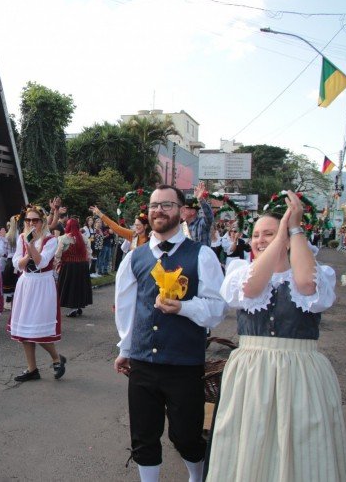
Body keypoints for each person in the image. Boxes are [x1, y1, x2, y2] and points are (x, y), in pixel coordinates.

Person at [206, 191, 346, 481]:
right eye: (257, 234)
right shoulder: (240, 271)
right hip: (252, 371)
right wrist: (279, 236)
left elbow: (306, 284)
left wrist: (294, 228)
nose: (260, 240)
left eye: (270, 233)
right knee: (249, 443)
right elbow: (251, 289)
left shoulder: (318, 272)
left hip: (301, 370)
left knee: (303, 443)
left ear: (287, 236)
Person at [113, 184, 226, 482]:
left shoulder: (201, 255)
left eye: (166, 204)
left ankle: (196, 477)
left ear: (181, 210)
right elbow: (126, 308)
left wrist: (183, 308)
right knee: (143, 435)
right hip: (143, 363)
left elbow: (217, 309)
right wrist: (125, 349)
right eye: (153, 205)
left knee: (186, 436)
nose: (158, 211)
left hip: (183, 363)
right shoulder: (135, 258)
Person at [9, 205, 66, 381]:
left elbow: (41, 263)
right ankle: (32, 369)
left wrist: (32, 245)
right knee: (25, 328)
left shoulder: (50, 240)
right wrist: (27, 249)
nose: (31, 223)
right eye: (28, 220)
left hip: (43, 284)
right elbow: (17, 263)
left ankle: (56, 358)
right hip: (26, 283)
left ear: (42, 222)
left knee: (39, 329)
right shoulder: (21, 238)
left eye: (35, 220)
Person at [56, 217, 92, 318]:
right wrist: (87, 265)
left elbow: (58, 254)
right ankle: (78, 305)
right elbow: (89, 254)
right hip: (82, 266)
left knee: (71, 287)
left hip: (69, 266)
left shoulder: (63, 238)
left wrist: (58, 263)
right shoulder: (84, 238)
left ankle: (74, 308)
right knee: (80, 286)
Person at [181, 181, 214, 246]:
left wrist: (200, 199)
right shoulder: (182, 226)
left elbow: (209, 216)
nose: (182, 211)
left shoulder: (201, 223)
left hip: (201, 255)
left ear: (193, 211)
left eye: (185, 209)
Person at [2, 214, 21, 304]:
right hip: (18, 262)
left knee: (10, 286)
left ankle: (10, 299)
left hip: (9, 262)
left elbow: (4, 252)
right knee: (17, 286)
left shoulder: (7, 236)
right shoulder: (21, 235)